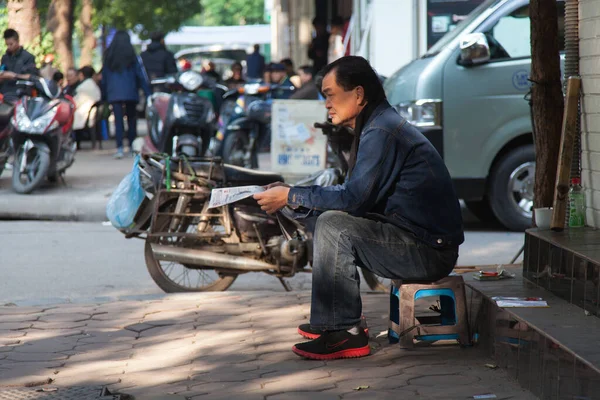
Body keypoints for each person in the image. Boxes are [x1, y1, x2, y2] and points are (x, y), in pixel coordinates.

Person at [253, 56, 464, 360]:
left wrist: (291, 197)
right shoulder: (376, 126)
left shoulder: (381, 131)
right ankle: (333, 320)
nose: (326, 104)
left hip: (428, 250)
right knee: (329, 220)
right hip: (413, 238)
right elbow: (354, 198)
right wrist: (292, 198)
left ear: (358, 95)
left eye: (330, 95)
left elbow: (353, 199)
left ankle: (344, 332)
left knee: (333, 226)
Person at [101, 30, 151, 159]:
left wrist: (104, 94)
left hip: (114, 92)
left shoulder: (109, 56)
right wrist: (147, 93)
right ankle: (132, 146)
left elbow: (104, 77)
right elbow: (140, 75)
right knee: (131, 119)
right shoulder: (132, 56)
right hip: (130, 91)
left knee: (118, 121)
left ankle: (119, 148)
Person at [0, 29, 38, 103]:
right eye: (7, 45)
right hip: (3, 92)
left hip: (19, 94)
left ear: (17, 41)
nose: (9, 47)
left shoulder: (28, 57)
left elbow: (32, 77)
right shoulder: (5, 58)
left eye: (11, 44)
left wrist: (14, 75)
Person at [73, 66, 101, 132]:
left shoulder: (83, 87)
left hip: (84, 115)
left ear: (81, 74)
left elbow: (75, 103)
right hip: (92, 113)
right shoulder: (93, 85)